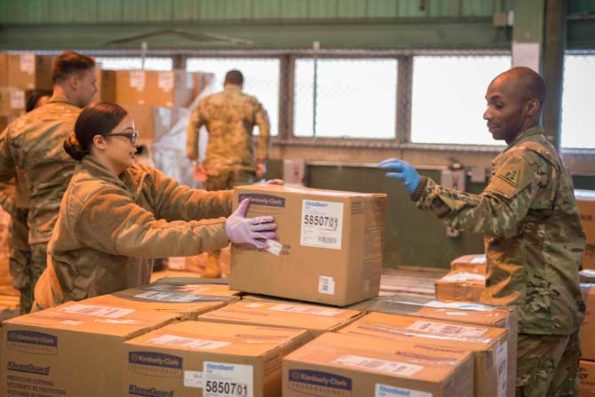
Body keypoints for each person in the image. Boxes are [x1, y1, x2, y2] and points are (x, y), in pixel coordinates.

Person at [379, 67, 585, 396]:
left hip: (533, 314)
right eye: (488, 104)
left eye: (498, 105)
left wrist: (425, 191)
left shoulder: (524, 157)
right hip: (557, 307)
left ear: (530, 108)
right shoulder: (546, 152)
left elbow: (494, 216)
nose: (487, 114)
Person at [34, 102, 276, 309]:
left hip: (110, 302)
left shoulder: (138, 177)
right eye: (128, 136)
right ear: (100, 142)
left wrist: (249, 197)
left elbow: (187, 202)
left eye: (135, 136)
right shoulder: (92, 196)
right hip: (73, 310)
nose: (135, 144)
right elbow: (150, 234)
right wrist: (224, 231)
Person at [0, 51, 96, 313]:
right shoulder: (90, 127)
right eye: (92, 82)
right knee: (81, 315)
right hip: (85, 237)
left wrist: (19, 205)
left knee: (37, 318)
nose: (95, 90)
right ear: (74, 82)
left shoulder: (20, 127)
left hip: (40, 236)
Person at [186, 69, 271, 278]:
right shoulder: (251, 102)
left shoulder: (207, 102)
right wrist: (261, 158)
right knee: (245, 214)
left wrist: (194, 158)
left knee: (214, 212)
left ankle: (213, 263)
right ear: (241, 84)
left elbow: (192, 126)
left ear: (225, 83)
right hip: (243, 166)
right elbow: (265, 127)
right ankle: (241, 266)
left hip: (215, 166)